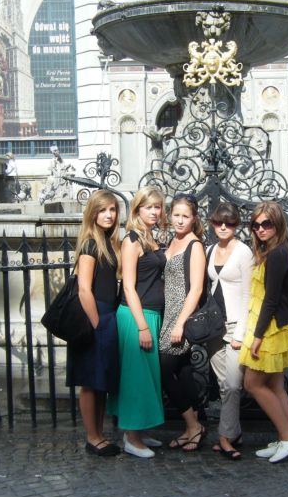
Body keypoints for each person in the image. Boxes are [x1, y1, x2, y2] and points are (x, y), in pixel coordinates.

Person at [239, 201, 288, 463]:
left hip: (271, 328)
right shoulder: (274, 251)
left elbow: (271, 299)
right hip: (276, 325)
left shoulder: (277, 254)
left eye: (266, 224)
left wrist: (257, 336)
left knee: (252, 384)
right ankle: (285, 438)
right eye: (255, 225)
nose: (260, 229)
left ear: (278, 224)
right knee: (276, 386)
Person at [107, 186, 167, 458]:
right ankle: (131, 438)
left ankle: (138, 431)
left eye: (157, 207)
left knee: (146, 378)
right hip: (136, 317)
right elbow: (128, 287)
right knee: (136, 379)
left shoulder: (150, 237)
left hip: (150, 314)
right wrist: (142, 326)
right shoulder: (132, 240)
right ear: (137, 209)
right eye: (149, 207)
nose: (154, 212)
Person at [66, 190, 122, 456]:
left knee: (101, 381)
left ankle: (99, 434)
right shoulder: (90, 244)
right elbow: (84, 290)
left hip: (107, 316)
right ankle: (92, 437)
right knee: (90, 381)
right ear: (92, 213)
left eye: (112, 209)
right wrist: (97, 323)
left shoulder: (108, 242)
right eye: (102, 210)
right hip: (95, 316)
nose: (108, 215)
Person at [159, 193, 207, 451]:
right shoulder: (172, 241)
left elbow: (196, 289)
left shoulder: (194, 245)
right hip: (167, 314)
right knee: (183, 371)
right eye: (176, 215)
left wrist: (180, 323)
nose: (179, 220)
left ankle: (193, 425)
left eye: (185, 216)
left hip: (181, 317)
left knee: (163, 371)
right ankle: (194, 426)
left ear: (194, 218)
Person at [206, 203, 254, 460]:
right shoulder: (209, 250)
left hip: (236, 326)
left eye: (230, 223)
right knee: (224, 385)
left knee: (234, 384)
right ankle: (234, 433)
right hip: (214, 327)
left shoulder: (244, 252)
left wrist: (240, 334)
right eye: (218, 222)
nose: (223, 227)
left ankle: (224, 438)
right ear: (212, 223)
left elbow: (248, 295)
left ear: (236, 225)